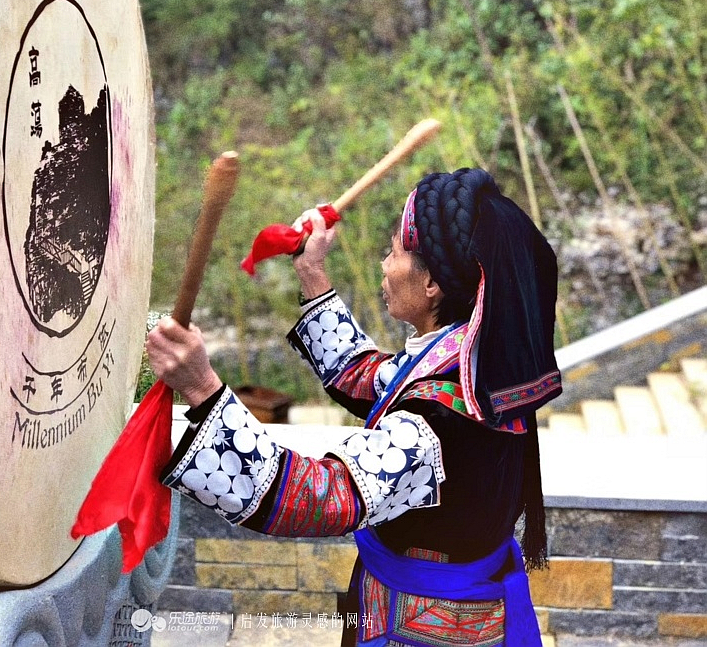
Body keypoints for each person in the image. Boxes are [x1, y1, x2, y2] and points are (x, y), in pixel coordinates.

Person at [147, 168, 562, 647]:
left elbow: (320, 497)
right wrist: (311, 272)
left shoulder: (443, 417)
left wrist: (201, 385)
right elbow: (366, 376)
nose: (384, 266)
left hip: (421, 631)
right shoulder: (469, 359)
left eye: (394, 251)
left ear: (431, 284)